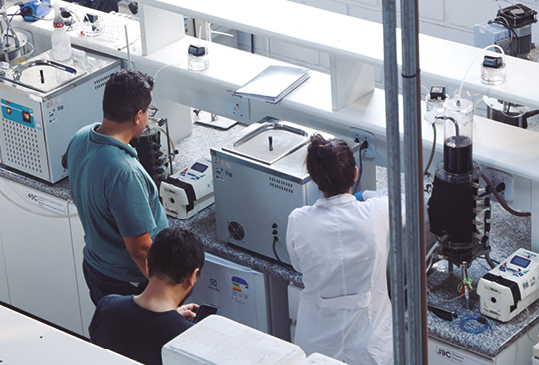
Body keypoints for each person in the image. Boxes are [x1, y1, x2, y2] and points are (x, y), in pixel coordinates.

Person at [286, 134, 397, 365]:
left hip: (317, 344)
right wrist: (365, 195)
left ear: (315, 180)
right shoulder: (376, 213)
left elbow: (298, 265)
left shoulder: (299, 221)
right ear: (355, 175)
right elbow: (407, 201)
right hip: (369, 348)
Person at [64, 69, 168, 306]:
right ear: (138, 116)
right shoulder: (123, 172)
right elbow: (141, 250)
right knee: (138, 343)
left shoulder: (81, 138)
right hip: (129, 283)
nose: (149, 117)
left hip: (96, 267)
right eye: (149, 111)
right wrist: (164, 294)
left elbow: (77, 192)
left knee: (113, 337)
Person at [89, 226, 205, 365]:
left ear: (147, 264)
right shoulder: (188, 339)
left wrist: (172, 318)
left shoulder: (107, 308)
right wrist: (174, 321)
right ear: (192, 276)